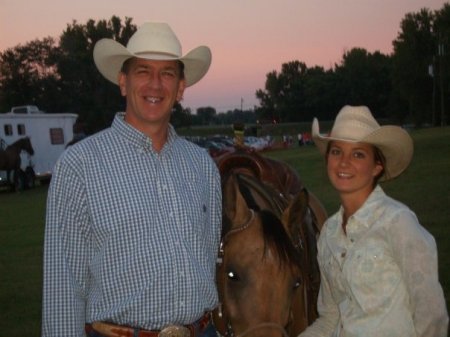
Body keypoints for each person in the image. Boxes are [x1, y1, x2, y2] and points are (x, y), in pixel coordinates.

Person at [42, 22, 222, 337]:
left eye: (167, 73)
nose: (155, 85)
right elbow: (63, 285)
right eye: (143, 71)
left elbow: (210, 262)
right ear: (123, 82)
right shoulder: (81, 165)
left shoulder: (202, 165)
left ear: (180, 87)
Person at [300, 105, 448, 337]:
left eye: (358, 154)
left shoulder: (398, 223)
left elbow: (431, 315)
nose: (344, 162)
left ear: (377, 166)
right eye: (337, 151)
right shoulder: (328, 233)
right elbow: (331, 317)